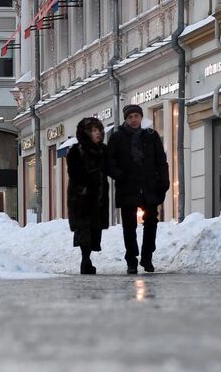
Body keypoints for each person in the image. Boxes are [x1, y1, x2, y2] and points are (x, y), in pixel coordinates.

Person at [105, 103, 169, 274]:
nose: (134, 120)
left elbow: (161, 161)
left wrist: (164, 182)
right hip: (128, 188)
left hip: (149, 187)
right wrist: (121, 175)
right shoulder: (117, 138)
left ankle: (147, 257)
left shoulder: (151, 135)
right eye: (130, 117)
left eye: (137, 116)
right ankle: (131, 260)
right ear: (126, 119)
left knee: (151, 222)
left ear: (141, 118)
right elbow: (109, 163)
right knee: (129, 226)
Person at [65, 116, 110, 275]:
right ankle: (85, 260)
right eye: (93, 130)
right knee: (84, 229)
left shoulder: (103, 150)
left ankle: (87, 258)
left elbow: (111, 168)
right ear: (85, 133)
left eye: (99, 130)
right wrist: (87, 183)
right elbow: (75, 172)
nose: (97, 133)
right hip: (81, 197)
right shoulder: (76, 151)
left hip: (99, 197)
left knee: (95, 229)